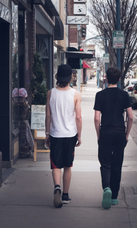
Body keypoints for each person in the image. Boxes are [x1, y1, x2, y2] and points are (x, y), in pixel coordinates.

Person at [93, 67, 133, 209]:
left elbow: (97, 118)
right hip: (119, 132)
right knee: (117, 164)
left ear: (106, 78)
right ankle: (114, 197)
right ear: (119, 79)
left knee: (105, 163)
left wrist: (99, 134)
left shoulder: (100, 95)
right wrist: (126, 134)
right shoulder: (124, 95)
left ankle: (106, 188)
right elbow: (131, 116)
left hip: (106, 132)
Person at [45, 64, 82, 208]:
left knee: (56, 165)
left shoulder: (51, 93)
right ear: (70, 78)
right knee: (68, 165)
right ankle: (65, 195)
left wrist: (47, 133)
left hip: (55, 134)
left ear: (57, 78)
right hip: (70, 134)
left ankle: (57, 188)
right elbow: (78, 117)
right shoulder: (76, 94)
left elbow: (48, 115)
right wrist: (79, 135)